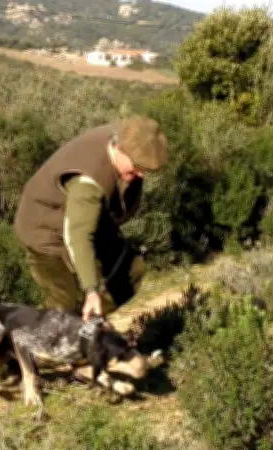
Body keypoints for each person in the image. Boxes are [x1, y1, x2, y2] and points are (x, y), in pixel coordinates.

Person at [13, 116, 168, 321]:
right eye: (137, 167)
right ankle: (47, 340)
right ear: (120, 149)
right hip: (44, 230)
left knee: (131, 271)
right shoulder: (88, 182)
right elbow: (78, 236)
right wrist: (91, 290)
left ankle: (84, 325)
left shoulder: (128, 135)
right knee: (64, 303)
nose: (141, 175)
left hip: (91, 218)